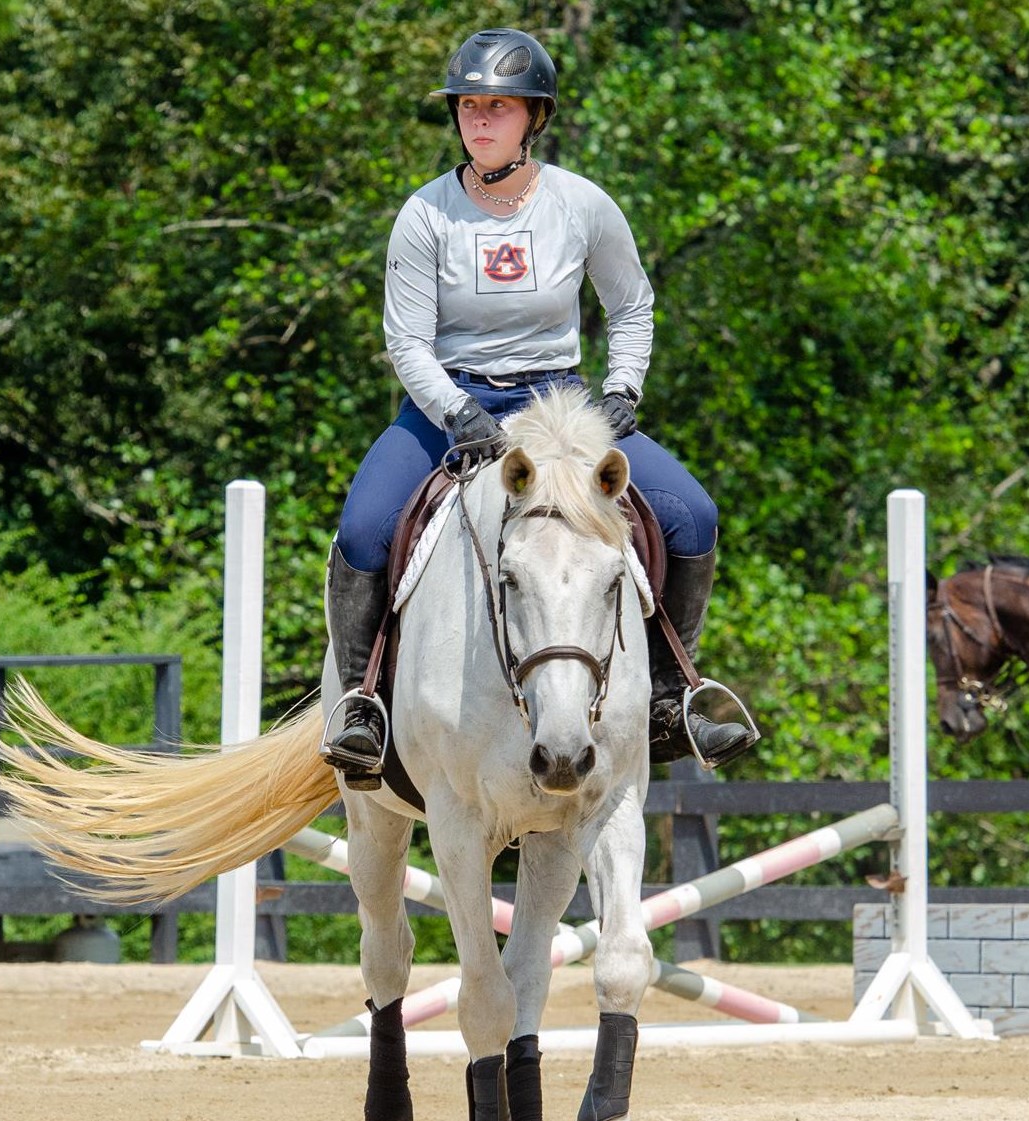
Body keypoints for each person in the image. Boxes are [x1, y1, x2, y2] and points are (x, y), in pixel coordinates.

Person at [318, 27, 758, 790]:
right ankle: (362, 707)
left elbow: (632, 304)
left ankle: (669, 693)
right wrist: (457, 411)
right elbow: (406, 341)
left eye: (498, 106)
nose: (479, 119)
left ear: (535, 117)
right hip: (450, 404)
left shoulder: (581, 204)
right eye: (468, 106)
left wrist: (623, 389)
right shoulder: (425, 214)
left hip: (559, 401)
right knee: (362, 529)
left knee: (693, 514)